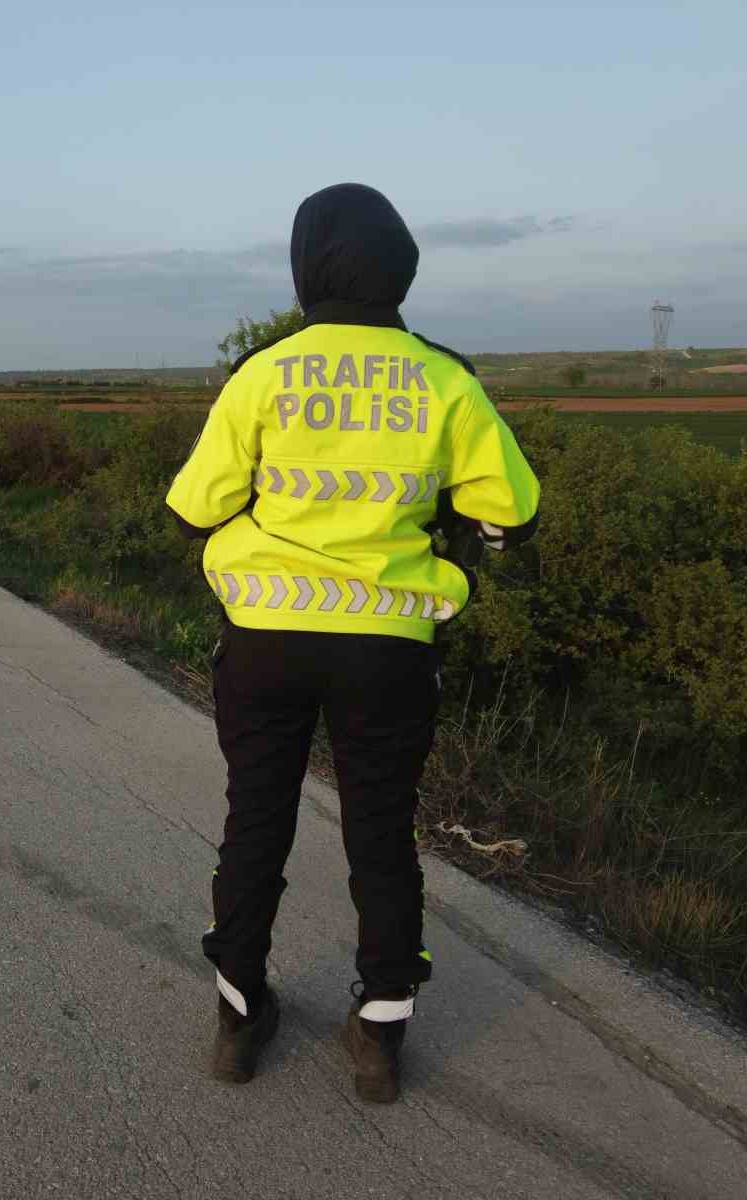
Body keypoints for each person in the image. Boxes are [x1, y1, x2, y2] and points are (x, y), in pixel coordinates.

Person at [166, 182, 540, 1102]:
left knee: (256, 819)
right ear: (401, 264)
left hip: (265, 639)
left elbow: (194, 509)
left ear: (305, 264)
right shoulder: (444, 376)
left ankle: (238, 1011)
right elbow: (513, 516)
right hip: (387, 648)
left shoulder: (264, 372)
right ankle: (380, 1028)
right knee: (381, 828)